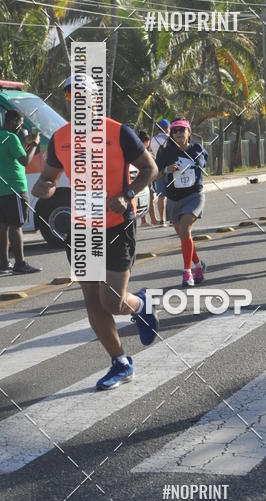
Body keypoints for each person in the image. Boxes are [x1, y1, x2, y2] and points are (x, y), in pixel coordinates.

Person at [32, 74, 158, 391]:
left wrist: (127, 195)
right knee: (92, 302)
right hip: (82, 228)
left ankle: (142, 305)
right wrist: (45, 186)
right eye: (72, 99)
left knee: (111, 302)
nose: (78, 103)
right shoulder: (60, 138)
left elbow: (150, 169)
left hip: (117, 226)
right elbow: (49, 177)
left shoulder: (118, 132)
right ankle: (120, 361)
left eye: (83, 97)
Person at [155, 118, 207, 287]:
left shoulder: (197, 149)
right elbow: (155, 174)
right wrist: (166, 170)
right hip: (173, 199)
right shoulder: (166, 152)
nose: (178, 133)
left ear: (188, 132)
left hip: (194, 196)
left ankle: (187, 273)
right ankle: (198, 265)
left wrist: (192, 163)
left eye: (181, 130)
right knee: (184, 237)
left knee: (185, 229)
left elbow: (203, 164)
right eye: (175, 131)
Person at [0, 109, 42, 275]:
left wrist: (26, 144)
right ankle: (20, 263)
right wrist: (35, 145)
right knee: (17, 226)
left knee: (2, 226)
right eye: (20, 123)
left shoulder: (6, 138)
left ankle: (3, 263)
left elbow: (9, 156)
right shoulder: (11, 138)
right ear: (13, 121)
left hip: (2, 190)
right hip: (14, 188)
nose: (20, 127)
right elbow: (24, 160)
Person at [150, 119, 170, 225]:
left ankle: (162, 219)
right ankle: (171, 218)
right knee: (171, 195)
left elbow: (152, 153)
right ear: (166, 128)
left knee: (160, 196)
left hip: (158, 169)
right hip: (169, 168)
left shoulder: (153, 139)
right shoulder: (169, 139)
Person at [137, 129, 159, 226]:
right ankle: (151, 219)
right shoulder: (142, 152)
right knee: (149, 198)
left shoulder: (141, 151)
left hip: (145, 178)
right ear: (146, 141)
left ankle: (145, 220)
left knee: (147, 198)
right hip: (145, 178)